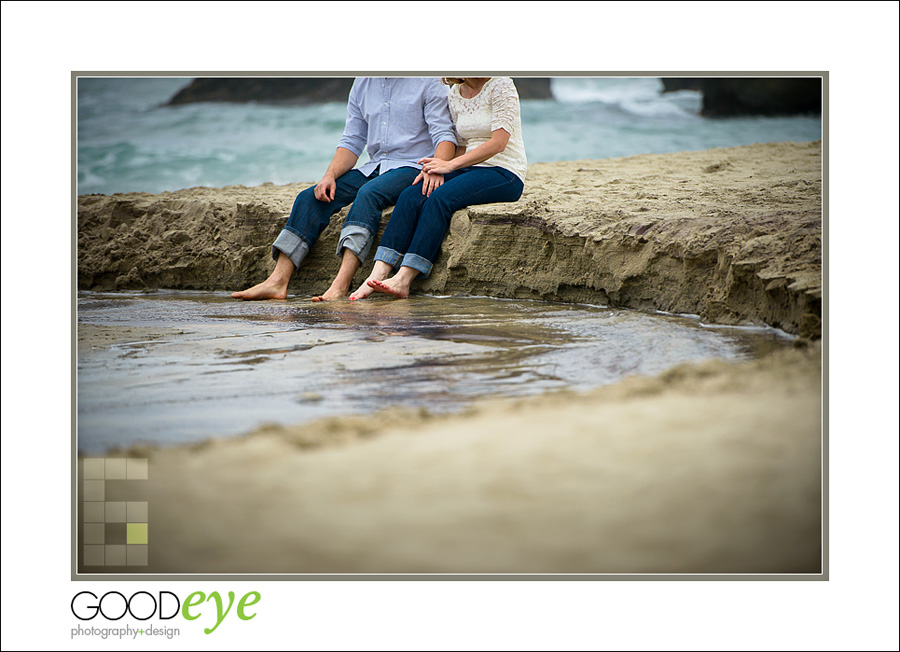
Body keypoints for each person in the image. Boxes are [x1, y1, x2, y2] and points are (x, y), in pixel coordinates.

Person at [231, 77, 457, 301]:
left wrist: (437, 168)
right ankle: (277, 282)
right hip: (373, 167)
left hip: (414, 167)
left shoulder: (428, 80)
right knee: (310, 198)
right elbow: (353, 140)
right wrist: (329, 176)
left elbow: (444, 135)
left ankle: (340, 286)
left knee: (368, 194)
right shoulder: (363, 82)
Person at [349, 77, 526, 301]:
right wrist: (436, 169)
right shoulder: (454, 92)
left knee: (440, 198)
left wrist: (450, 165)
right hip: (469, 168)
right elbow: (461, 145)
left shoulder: (501, 84)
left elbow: (498, 143)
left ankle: (404, 278)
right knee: (413, 194)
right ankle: (377, 274)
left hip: (504, 171)